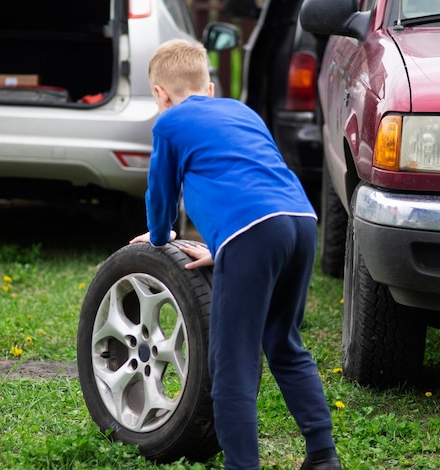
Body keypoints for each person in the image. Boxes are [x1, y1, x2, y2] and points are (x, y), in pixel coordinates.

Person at [130, 38, 341, 470]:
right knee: (283, 342)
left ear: (160, 95)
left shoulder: (168, 124)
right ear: (210, 88)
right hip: (300, 220)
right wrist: (226, 249)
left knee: (232, 366)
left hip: (253, 233)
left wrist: (157, 240)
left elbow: (162, 196)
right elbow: (254, 176)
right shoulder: (242, 112)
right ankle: (323, 455)